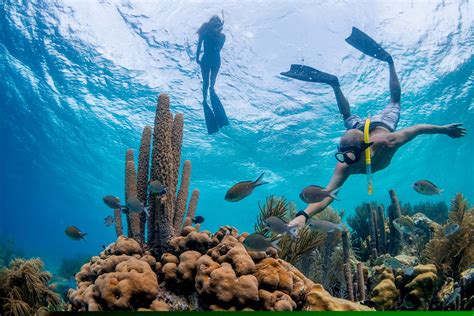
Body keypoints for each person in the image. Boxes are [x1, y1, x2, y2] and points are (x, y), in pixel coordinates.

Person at [281, 27, 466, 229]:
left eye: (350, 155)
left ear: (367, 147)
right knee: (347, 117)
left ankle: (389, 62)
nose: (347, 161)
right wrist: (302, 216)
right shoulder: (344, 165)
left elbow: (419, 128)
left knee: (395, 102)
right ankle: (334, 83)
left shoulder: (389, 141)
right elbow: (327, 194)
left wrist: (445, 129)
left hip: (383, 125)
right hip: (358, 129)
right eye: (343, 155)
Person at [196, 15, 229, 134]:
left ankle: (212, 94)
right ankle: (204, 101)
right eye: (213, 21)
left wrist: (215, 33)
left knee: (212, 84)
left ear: (220, 24)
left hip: (215, 62)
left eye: (217, 22)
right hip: (205, 61)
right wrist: (197, 58)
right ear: (210, 23)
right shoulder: (205, 33)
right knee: (205, 83)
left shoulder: (223, 36)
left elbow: (218, 48)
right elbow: (199, 45)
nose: (215, 23)